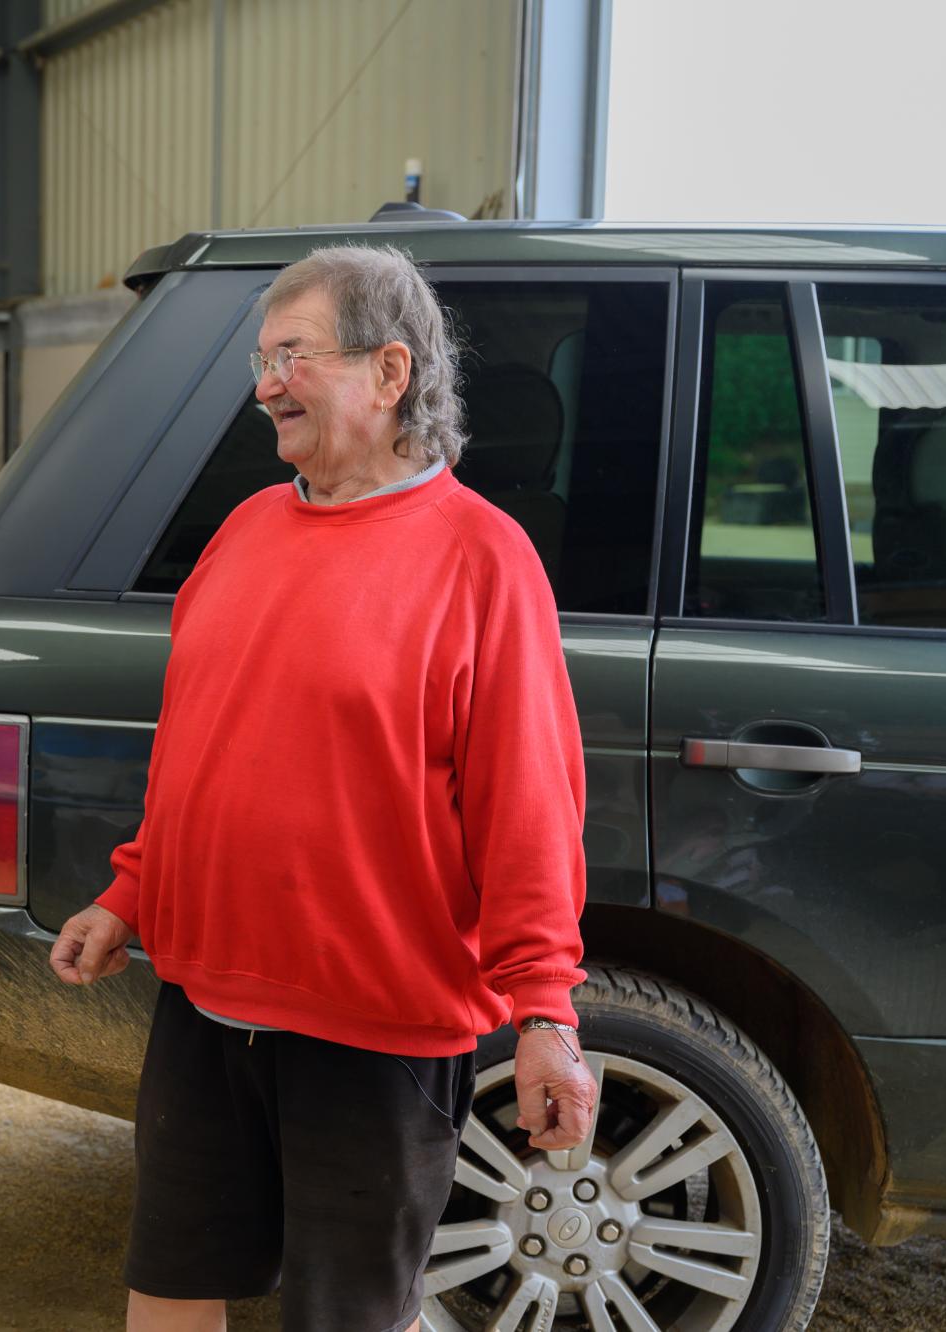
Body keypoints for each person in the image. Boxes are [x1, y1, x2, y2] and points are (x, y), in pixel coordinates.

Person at [48, 244, 598, 1332]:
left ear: (388, 373)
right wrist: (129, 895)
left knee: (344, 1314)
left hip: (378, 1029)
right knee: (166, 1287)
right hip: (207, 1006)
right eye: (259, 360)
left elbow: (527, 809)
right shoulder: (245, 534)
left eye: (290, 357)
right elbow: (199, 755)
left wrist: (543, 1009)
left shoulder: (482, 561)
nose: (263, 388)